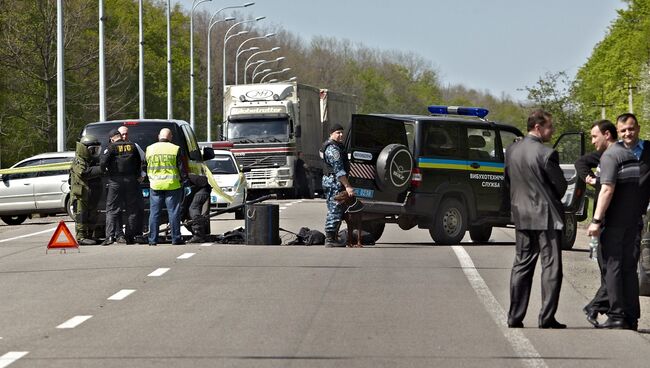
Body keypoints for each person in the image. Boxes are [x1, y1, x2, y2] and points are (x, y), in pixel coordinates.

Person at [505, 109, 568, 329]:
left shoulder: (511, 150)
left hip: (521, 214)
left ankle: (515, 316)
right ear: (538, 128)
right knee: (551, 267)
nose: (553, 131)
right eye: (550, 127)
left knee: (521, 265)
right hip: (547, 216)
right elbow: (560, 187)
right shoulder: (546, 153)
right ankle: (546, 317)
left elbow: (508, 180)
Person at [587, 119, 641, 330]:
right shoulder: (629, 154)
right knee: (628, 269)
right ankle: (630, 317)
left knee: (612, 267)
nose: (593, 141)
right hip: (632, 221)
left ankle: (616, 315)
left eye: (594, 136)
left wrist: (596, 220)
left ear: (607, 135)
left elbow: (607, 189)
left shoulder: (610, 156)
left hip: (616, 222)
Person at [145, 128, 188, 246]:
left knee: (154, 213)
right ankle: (176, 238)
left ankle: (152, 239)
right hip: (172, 185)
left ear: (159, 136)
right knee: (173, 212)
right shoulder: (175, 149)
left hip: (155, 185)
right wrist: (185, 181)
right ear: (171, 137)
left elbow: (144, 165)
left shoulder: (150, 149)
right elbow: (181, 168)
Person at [100, 129, 141, 245]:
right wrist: (136, 175)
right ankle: (130, 236)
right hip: (131, 181)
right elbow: (139, 162)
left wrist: (105, 172)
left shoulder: (111, 147)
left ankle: (109, 237)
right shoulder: (132, 146)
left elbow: (103, 162)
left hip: (115, 181)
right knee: (131, 209)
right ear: (120, 136)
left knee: (112, 209)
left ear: (112, 138)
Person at [320, 123, 355, 247]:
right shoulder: (333, 150)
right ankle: (330, 239)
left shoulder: (335, 146)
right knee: (335, 209)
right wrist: (348, 186)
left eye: (341, 132)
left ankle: (333, 236)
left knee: (336, 209)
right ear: (331, 134)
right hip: (334, 182)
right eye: (337, 133)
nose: (340, 135)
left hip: (331, 181)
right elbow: (339, 171)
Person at [69, 135, 103, 245]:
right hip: (81, 194)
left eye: (96, 150)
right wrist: (101, 169)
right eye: (93, 149)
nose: (95, 152)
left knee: (92, 214)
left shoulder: (92, 160)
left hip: (91, 192)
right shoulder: (79, 160)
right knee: (81, 215)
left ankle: (89, 235)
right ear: (85, 149)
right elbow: (84, 173)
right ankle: (81, 237)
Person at [118, 125, 147, 244]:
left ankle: (134, 234)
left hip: (133, 184)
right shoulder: (112, 148)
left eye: (126, 134)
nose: (124, 136)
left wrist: (142, 175)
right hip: (118, 186)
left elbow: (143, 160)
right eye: (122, 134)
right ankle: (119, 235)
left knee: (137, 209)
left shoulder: (135, 146)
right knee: (117, 211)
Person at [186, 172, 211, 243]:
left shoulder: (183, 178)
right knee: (189, 211)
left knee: (193, 208)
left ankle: (198, 234)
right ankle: (198, 233)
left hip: (203, 189)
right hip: (200, 188)